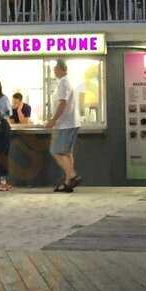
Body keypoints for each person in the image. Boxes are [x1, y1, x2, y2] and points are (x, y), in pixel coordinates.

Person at [46, 60, 82, 193]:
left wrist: (53, 120)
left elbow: (62, 103)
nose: (53, 71)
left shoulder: (63, 83)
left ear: (60, 68)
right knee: (67, 152)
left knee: (56, 151)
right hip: (70, 122)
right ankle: (68, 182)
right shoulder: (67, 82)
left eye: (54, 68)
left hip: (65, 124)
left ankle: (72, 175)